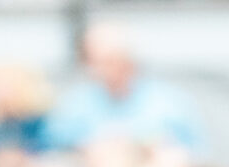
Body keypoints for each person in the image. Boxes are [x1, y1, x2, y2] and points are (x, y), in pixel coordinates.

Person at [41, 21, 207, 156]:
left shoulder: (168, 102)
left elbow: (196, 153)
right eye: (95, 61)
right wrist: (87, 148)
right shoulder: (75, 104)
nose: (103, 69)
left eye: (111, 60)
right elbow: (52, 149)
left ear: (129, 59)